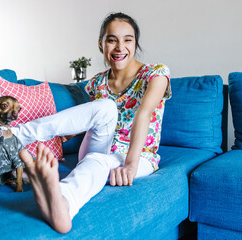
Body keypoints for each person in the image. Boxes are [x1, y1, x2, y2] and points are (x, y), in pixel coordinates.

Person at [12, 12, 171, 233]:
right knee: (106, 107)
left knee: (97, 161)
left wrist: (131, 165)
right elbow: (99, 121)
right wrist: (73, 131)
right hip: (101, 147)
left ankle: (62, 201)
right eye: (112, 39)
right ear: (101, 43)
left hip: (138, 156)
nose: (120, 47)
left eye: (128, 39)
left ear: (136, 43)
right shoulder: (97, 82)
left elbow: (143, 115)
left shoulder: (156, 74)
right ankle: (17, 134)